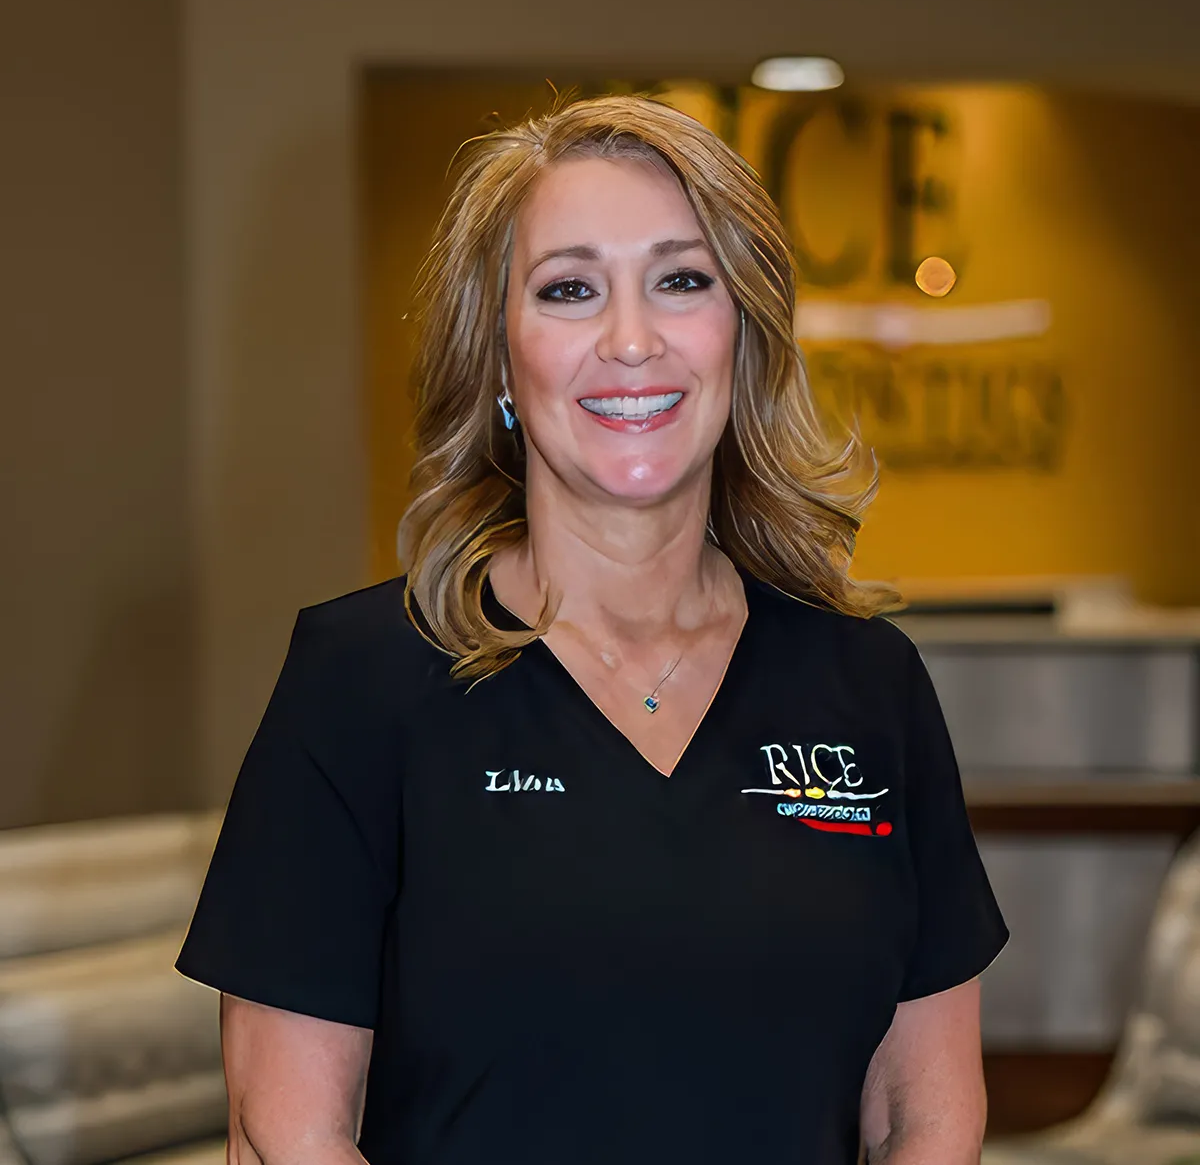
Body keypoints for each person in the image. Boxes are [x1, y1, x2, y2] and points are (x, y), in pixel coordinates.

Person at [177, 94, 1008, 1165]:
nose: (631, 339)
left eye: (682, 280)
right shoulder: (362, 681)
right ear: (499, 358)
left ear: (746, 337)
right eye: (569, 288)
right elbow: (286, 1132)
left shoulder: (869, 686)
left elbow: (929, 1119)